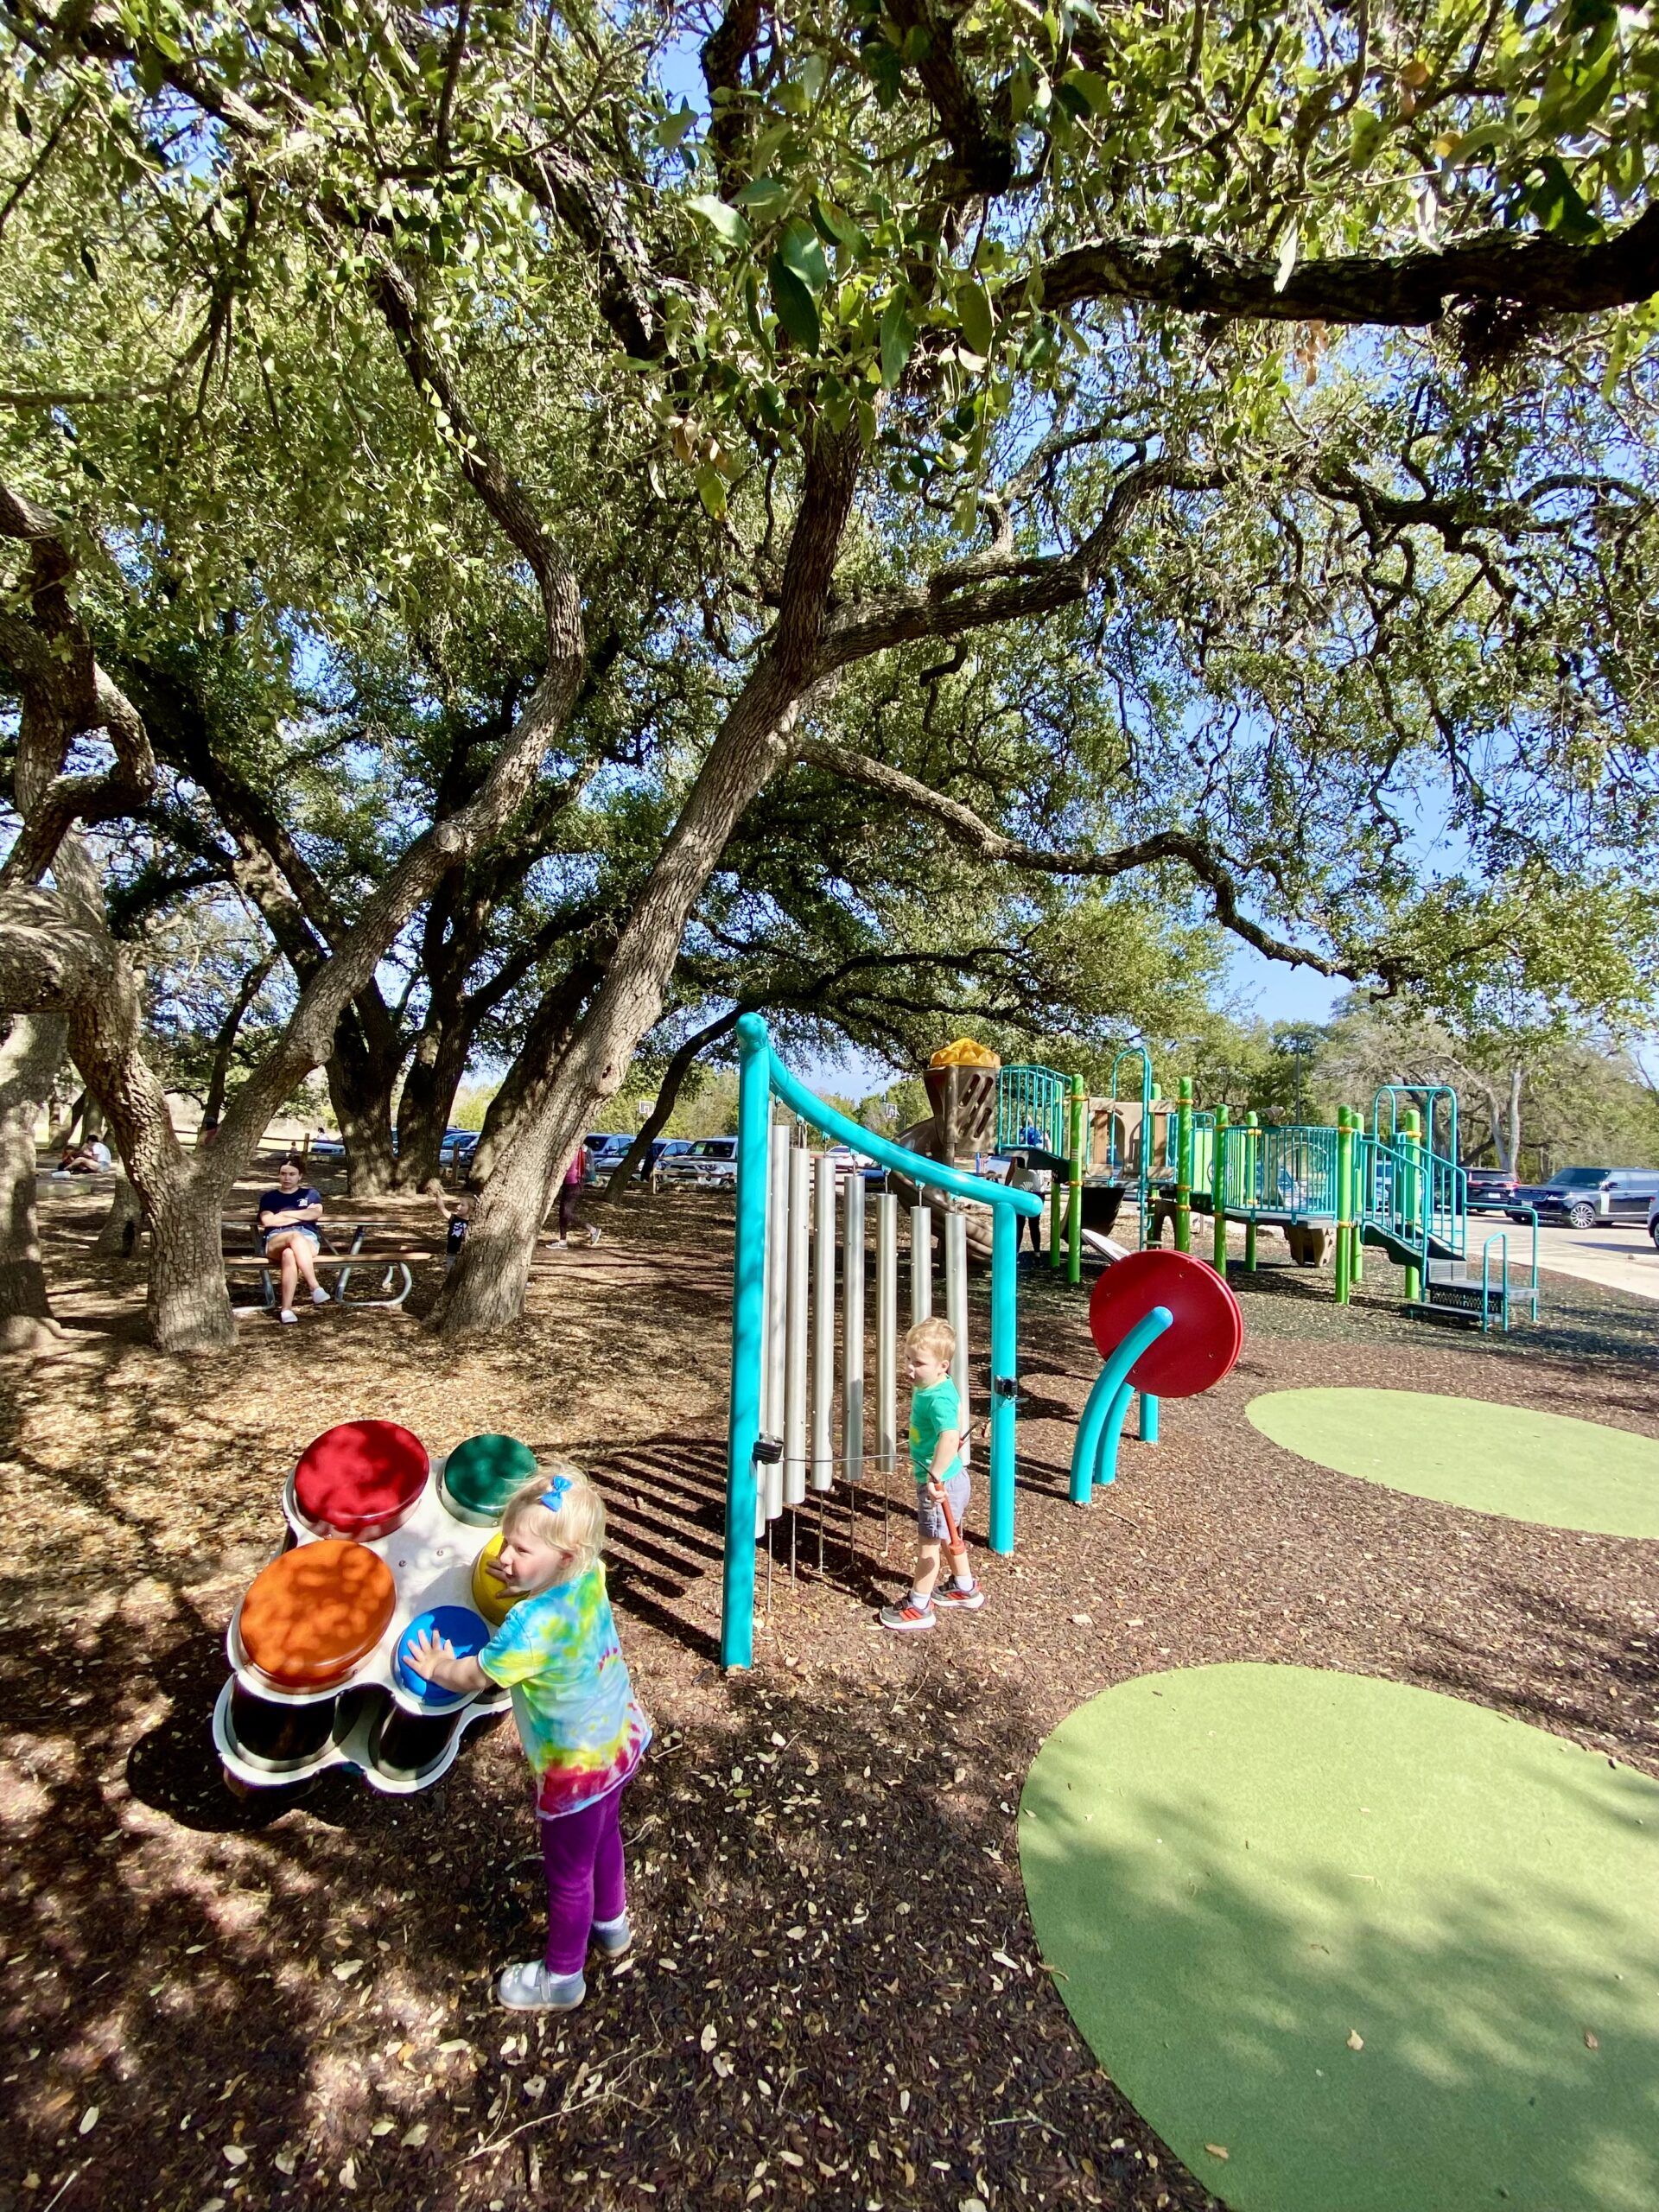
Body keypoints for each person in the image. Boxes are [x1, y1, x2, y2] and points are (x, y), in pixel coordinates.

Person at [410, 1465, 651, 2012]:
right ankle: (611, 1927)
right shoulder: (591, 1577)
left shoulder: (529, 1626)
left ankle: (562, 1978)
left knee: (567, 1876)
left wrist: (439, 1664)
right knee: (605, 1835)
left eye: (519, 1549)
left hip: (573, 1771)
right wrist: (522, 1571)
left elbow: (476, 1677)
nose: (506, 1558)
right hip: (619, 1740)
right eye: (505, 1543)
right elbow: (541, 1580)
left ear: (563, 1558)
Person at [880, 1316, 985, 1633]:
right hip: (952, 1479)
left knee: (928, 1546)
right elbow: (956, 1416)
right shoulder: (936, 1385)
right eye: (909, 1360)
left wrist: (934, 1476)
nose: (911, 1368)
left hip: (943, 1484)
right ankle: (964, 1587)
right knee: (951, 1537)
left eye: (919, 1363)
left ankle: (919, 1605)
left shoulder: (937, 1397)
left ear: (943, 1365)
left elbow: (949, 1437)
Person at [257, 1155, 327, 1324]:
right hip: (276, 1238)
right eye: (283, 1174)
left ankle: (286, 1310)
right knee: (294, 1237)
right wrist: (301, 1215)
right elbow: (268, 1221)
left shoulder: (310, 1194)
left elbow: (315, 1213)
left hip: (307, 1238)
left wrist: (283, 1215)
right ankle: (314, 1287)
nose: (287, 1178)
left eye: (291, 1174)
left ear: (300, 1176)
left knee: (290, 1253)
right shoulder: (269, 1197)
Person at [553, 1147, 601, 1249]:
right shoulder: (573, 1147)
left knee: (566, 1212)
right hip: (568, 1183)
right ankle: (562, 1241)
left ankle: (593, 1230)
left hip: (574, 1184)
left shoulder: (576, 1149)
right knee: (562, 1213)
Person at [434, 1183, 475, 1272]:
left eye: (462, 1205)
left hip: (464, 1254)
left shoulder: (472, 1223)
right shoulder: (453, 1218)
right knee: (451, 1273)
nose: (458, 1206)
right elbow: (442, 1208)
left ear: (471, 1209)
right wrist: (438, 1197)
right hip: (451, 1254)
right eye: (459, 1204)